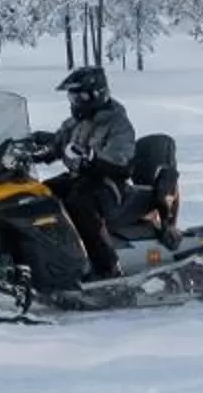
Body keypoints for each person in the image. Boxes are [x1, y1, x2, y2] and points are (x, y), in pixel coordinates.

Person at [48, 64, 137, 280]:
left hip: (110, 183)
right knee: (40, 194)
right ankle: (51, 259)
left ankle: (107, 267)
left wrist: (93, 157)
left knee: (80, 203)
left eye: (80, 97)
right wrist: (31, 144)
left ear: (97, 94)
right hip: (81, 178)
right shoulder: (77, 122)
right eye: (72, 97)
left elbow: (120, 160)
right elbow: (58, 141)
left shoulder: (118, 123)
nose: (75, 102)